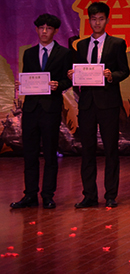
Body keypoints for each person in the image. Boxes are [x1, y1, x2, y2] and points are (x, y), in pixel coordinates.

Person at [69, 2, 129, 208]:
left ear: (107, 20)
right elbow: (79, 70)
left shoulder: (117, 43)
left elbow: (125, 71)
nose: (97, 23)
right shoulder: (81, 45)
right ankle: (89, 195)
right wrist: (73, 74)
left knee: (111, 149)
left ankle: (111, 194)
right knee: (87, 150)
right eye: (93, 19)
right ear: (89, 21)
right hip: (87, 103)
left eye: (101, 19)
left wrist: (111, 76)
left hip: (108, 102)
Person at [11, 14, 71, 210]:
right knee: (29, 154)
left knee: (50, 154)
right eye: (41, 28)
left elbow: (69, 80)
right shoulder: (29, 53)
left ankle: (48, 195)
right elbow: (28, 78)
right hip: (31, 109)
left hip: (50, 108)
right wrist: (21, 84)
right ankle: (29, 194)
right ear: (36, 30)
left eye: (49, 28)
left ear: (55, 31)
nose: (44, 31)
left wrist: (58, 84)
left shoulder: (64, 53)